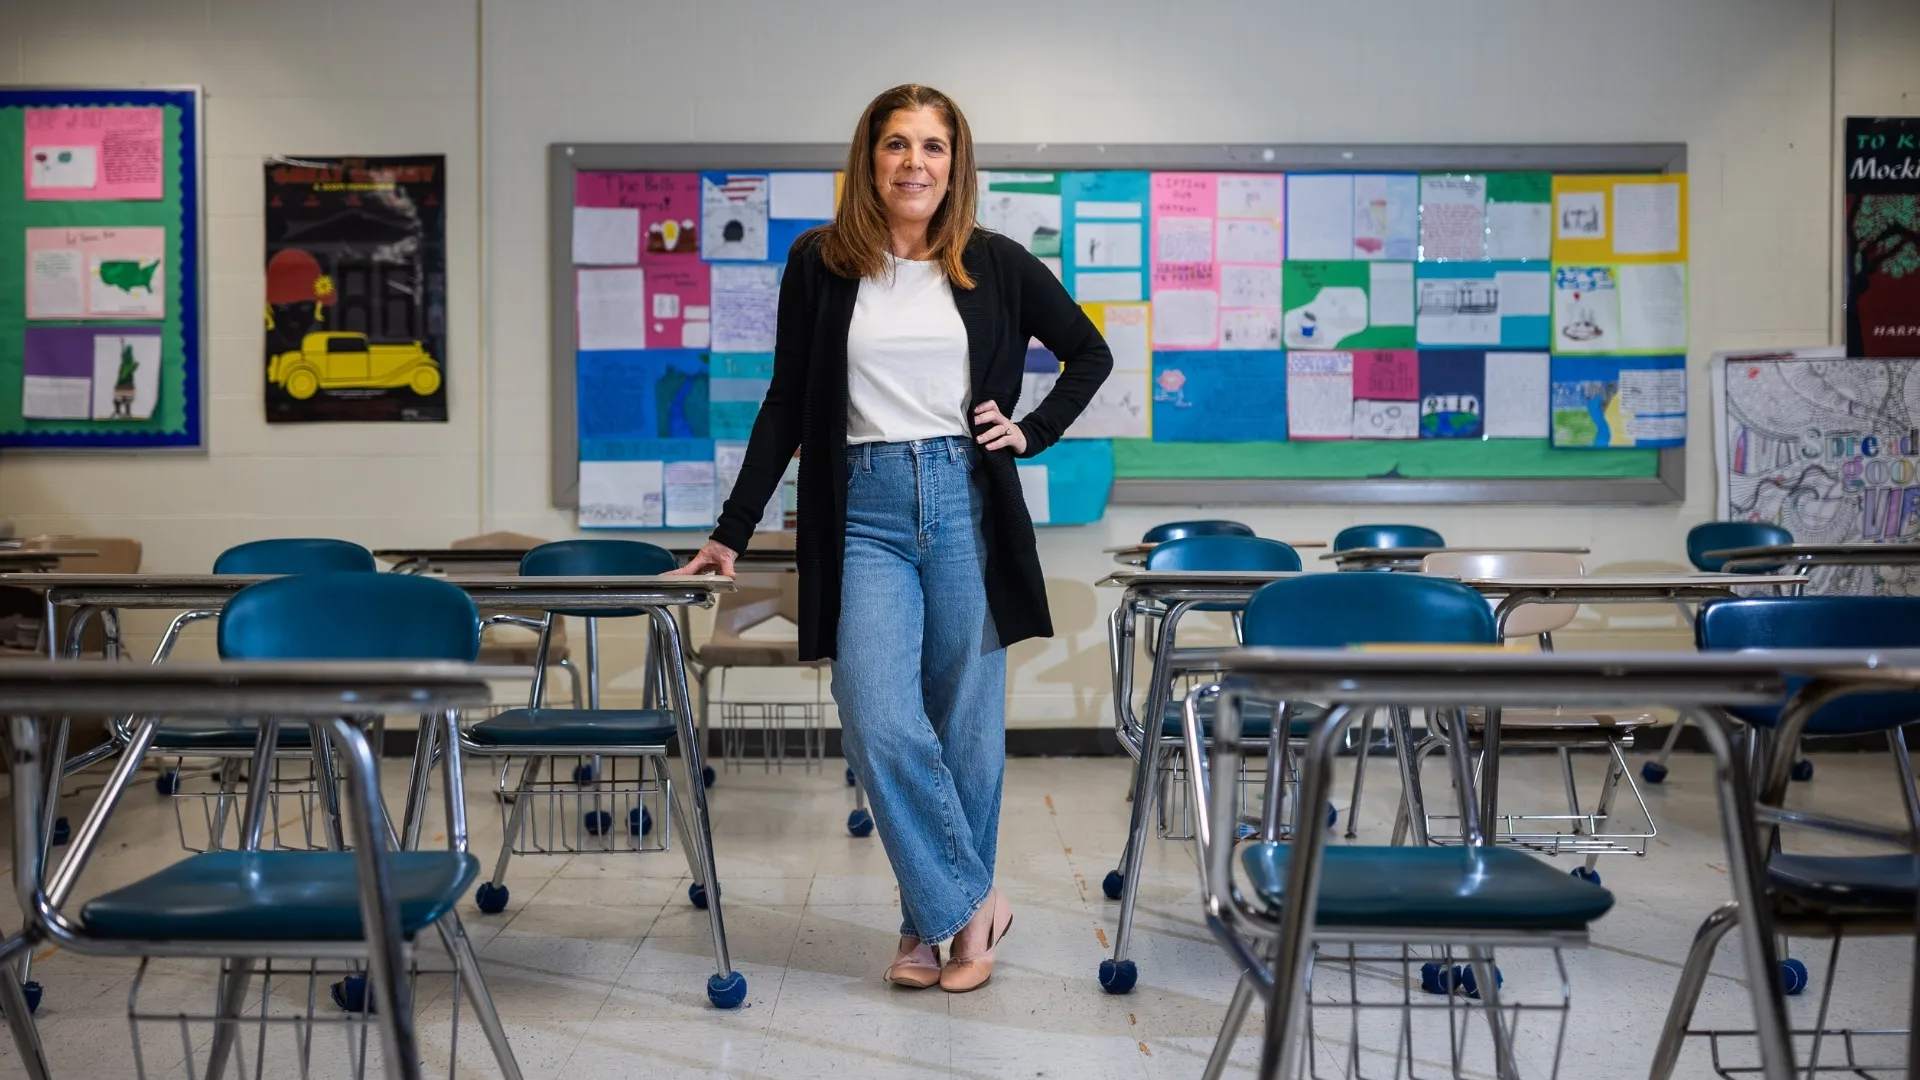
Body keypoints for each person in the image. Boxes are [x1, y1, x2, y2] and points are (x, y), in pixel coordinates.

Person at [673, 84, 1112, 992]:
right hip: (861, 508)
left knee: (964, 725)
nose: (916, 163)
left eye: (935, 146)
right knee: (876, 712)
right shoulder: (820, 262)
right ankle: (973, 902)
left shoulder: (994, 263)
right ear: (869, 158)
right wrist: (733, 531)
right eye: (898, 144)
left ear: (957, 162)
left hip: (963, 502)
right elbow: (787, 402)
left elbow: (1089, 352)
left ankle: (930, 932)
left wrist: (1032, 429)